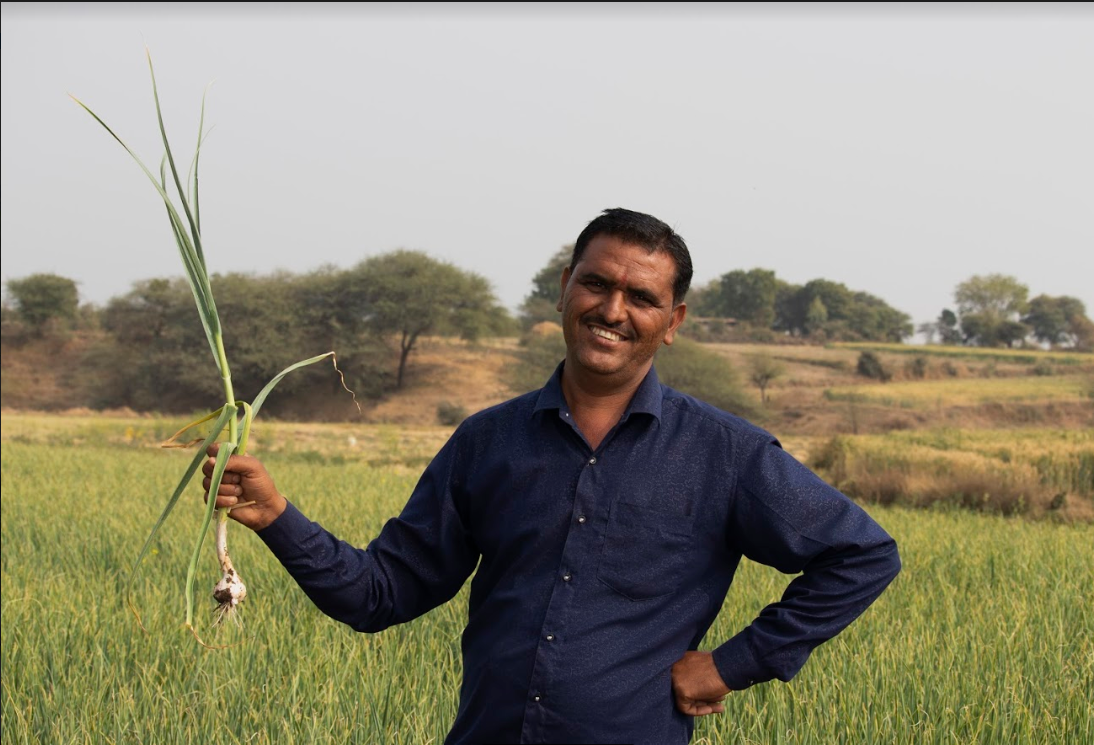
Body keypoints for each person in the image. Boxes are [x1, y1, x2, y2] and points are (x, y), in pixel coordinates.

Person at [203, 208, 901, 745]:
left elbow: (863, 553)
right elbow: (380, 593)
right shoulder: (489, 441)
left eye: (641, 296)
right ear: (564, 287)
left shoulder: (725, 453)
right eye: (596, 283)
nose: (612, 309)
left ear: (674, 320)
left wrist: (732, 663)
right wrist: (274, 516)